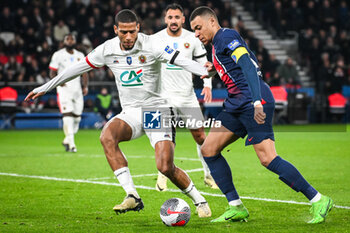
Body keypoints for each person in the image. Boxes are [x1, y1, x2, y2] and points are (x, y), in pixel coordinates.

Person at [25, 9, 212, 218]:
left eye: (132, 31)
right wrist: (46, 87)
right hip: (131, 111)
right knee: (107, 136)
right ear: (116, 30)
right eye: (124, 32)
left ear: (138, 28)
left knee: (165, 166)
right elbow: (77, 68)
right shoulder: (107, 49)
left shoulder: (152, 44)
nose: (129, 37)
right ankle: (132, 195)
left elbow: (181, 61)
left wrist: (205, 70)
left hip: (156, 109)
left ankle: (199, 200)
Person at [189, 6, 333, 224]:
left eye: (198, 28)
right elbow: (234, 69)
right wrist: (213, 69)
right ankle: (236, 207)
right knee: (209, 149)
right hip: (236, 103)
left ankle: (318, 199)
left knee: (267, 158)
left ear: (211, 21)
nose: (197, 34)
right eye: (194, 31)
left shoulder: (226, 36)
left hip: (254, 101)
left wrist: (257, 101)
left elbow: (247, 65)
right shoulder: (217, 45)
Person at [154, 3, 218, 191]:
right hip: (163, 97)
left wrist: (207, 85)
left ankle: (208, 175)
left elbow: (204, 64)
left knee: (200, 135)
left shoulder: (193, 38)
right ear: (165, 19)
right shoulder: (156, 39)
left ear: (183, 19)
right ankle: (163, 173)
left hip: (187, 96)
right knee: (164, 138)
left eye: (177, 17)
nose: (173, 21)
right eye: (170, 17)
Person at [49, 34, 89, 153]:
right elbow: (52, 71)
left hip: (77, 89)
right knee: (67, 115)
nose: (70, 41)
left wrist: (85, 86)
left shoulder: (80, 55)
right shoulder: (58, 55)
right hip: (64, 89)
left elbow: (85, 72)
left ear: (75, 41)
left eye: (72, 39)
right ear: (64, 41)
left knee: (77, 118)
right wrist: (58, 83)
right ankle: (72, 145)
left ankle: (67, 139)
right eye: (68, 39)